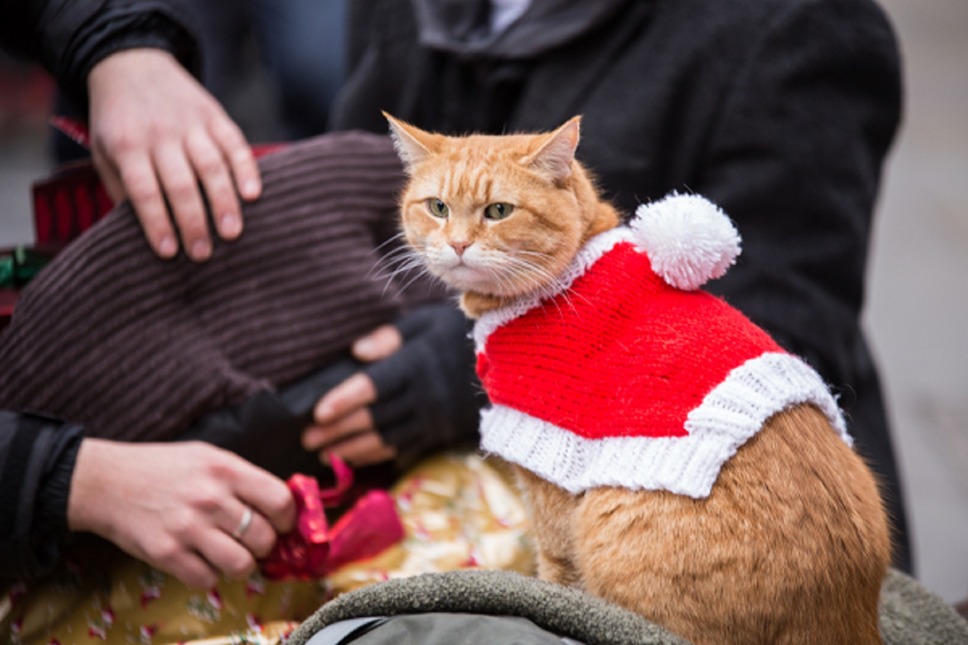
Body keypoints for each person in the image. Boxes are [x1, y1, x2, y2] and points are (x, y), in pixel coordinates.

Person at [319, 0, 913, 573]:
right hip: (391, 448)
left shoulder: (800, 21)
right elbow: (351, 194)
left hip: (723, 512)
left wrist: (463, 368)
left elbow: (783, 320)